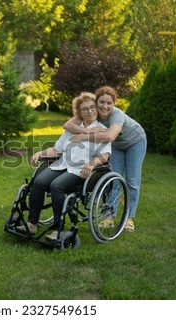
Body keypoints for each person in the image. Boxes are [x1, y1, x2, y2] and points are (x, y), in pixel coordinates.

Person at [17, 92, 111, 240]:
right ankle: (32, 224)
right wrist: (40, 153)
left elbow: (105, 154)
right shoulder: (72, 128)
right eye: (85, 108)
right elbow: (56, 150)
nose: (90, 111)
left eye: (92, 107)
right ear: (79, 112)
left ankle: (57, 229)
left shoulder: (102, 130)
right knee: (39, 182)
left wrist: (91, 164)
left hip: (82, 170)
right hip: (63, 165)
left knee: (56, 186)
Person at [63, 86, 147, 232]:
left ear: (114, 104)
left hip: (135, 142)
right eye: (102, 102)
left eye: (109, 103)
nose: (105, 106)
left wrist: (84, 136)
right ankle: (109, 216)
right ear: (96, 102)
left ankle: (129, 218)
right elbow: (67, 125)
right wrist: (87, 130)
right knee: (114, 179)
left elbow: (109, 136)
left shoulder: (116, 115)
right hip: (116, 146)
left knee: (132, 181)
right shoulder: (94, 112)